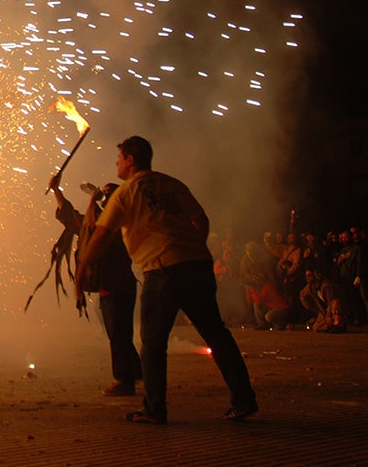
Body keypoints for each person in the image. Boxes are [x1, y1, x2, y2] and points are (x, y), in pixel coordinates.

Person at [75, 135, 257, 424]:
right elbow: (201, 220)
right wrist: (192, 246)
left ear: (131, 160)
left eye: (119, 159)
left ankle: (154, 408)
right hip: (197, 266)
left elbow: (100, 235)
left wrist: (82, 269)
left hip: (163, 271)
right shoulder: (172, 184)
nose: (117, 164)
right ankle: (244, 399)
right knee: (217, 334)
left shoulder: (126, 193)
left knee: (153, 342)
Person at [50, 175, 141, 396]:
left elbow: (93, 223)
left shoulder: (119, 224)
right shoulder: (97, 224)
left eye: (107, 195)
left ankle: (124, 380)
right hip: (109, 287)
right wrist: (56, 191)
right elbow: (73, 219)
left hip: (119, 285)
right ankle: (136, 371)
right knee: (117, 333)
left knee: (118, 334)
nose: (101, 198)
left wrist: (94, 202)